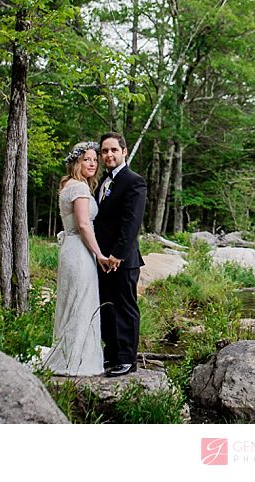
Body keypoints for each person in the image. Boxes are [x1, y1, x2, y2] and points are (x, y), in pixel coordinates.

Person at [42, 141, 112, 376]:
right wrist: (100, 254)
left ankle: (70, 354)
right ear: (76, 162)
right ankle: (75, 360)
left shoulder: (71, 185)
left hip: (71, 249)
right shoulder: (80, 189)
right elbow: (83, 224)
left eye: (94, 159)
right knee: (81, 303)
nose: (92, 163)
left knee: (74, 301)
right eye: (87, 159)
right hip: (80, 251)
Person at [94, 132, 147, 377]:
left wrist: (117, 255)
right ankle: (112, 355)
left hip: (122, 260)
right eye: (105, 151)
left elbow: (131, 222)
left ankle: (127, 359)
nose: (109, 155)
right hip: (100, 259)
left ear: (124, 151)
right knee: (106, 307)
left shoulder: (133, 181)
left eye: (113, 150)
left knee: (125, 307)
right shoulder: (102, 181)